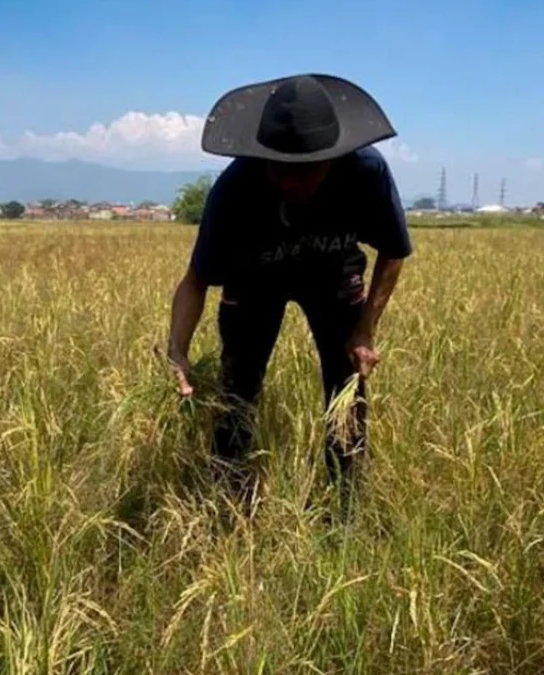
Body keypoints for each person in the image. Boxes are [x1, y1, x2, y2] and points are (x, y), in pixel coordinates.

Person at [165, 73, 413, 505]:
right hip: (255, 277)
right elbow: (196, 279)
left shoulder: (365, 171)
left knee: (347, 388)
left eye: (305, 172)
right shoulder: (235, 186)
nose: (289, 183)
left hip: (332, 274)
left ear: (332, 157)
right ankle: (227, 502)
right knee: (237, 388)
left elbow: (394, 251)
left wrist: (366, 330)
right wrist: (177, 352)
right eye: (279, 170)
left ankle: (345, 505)